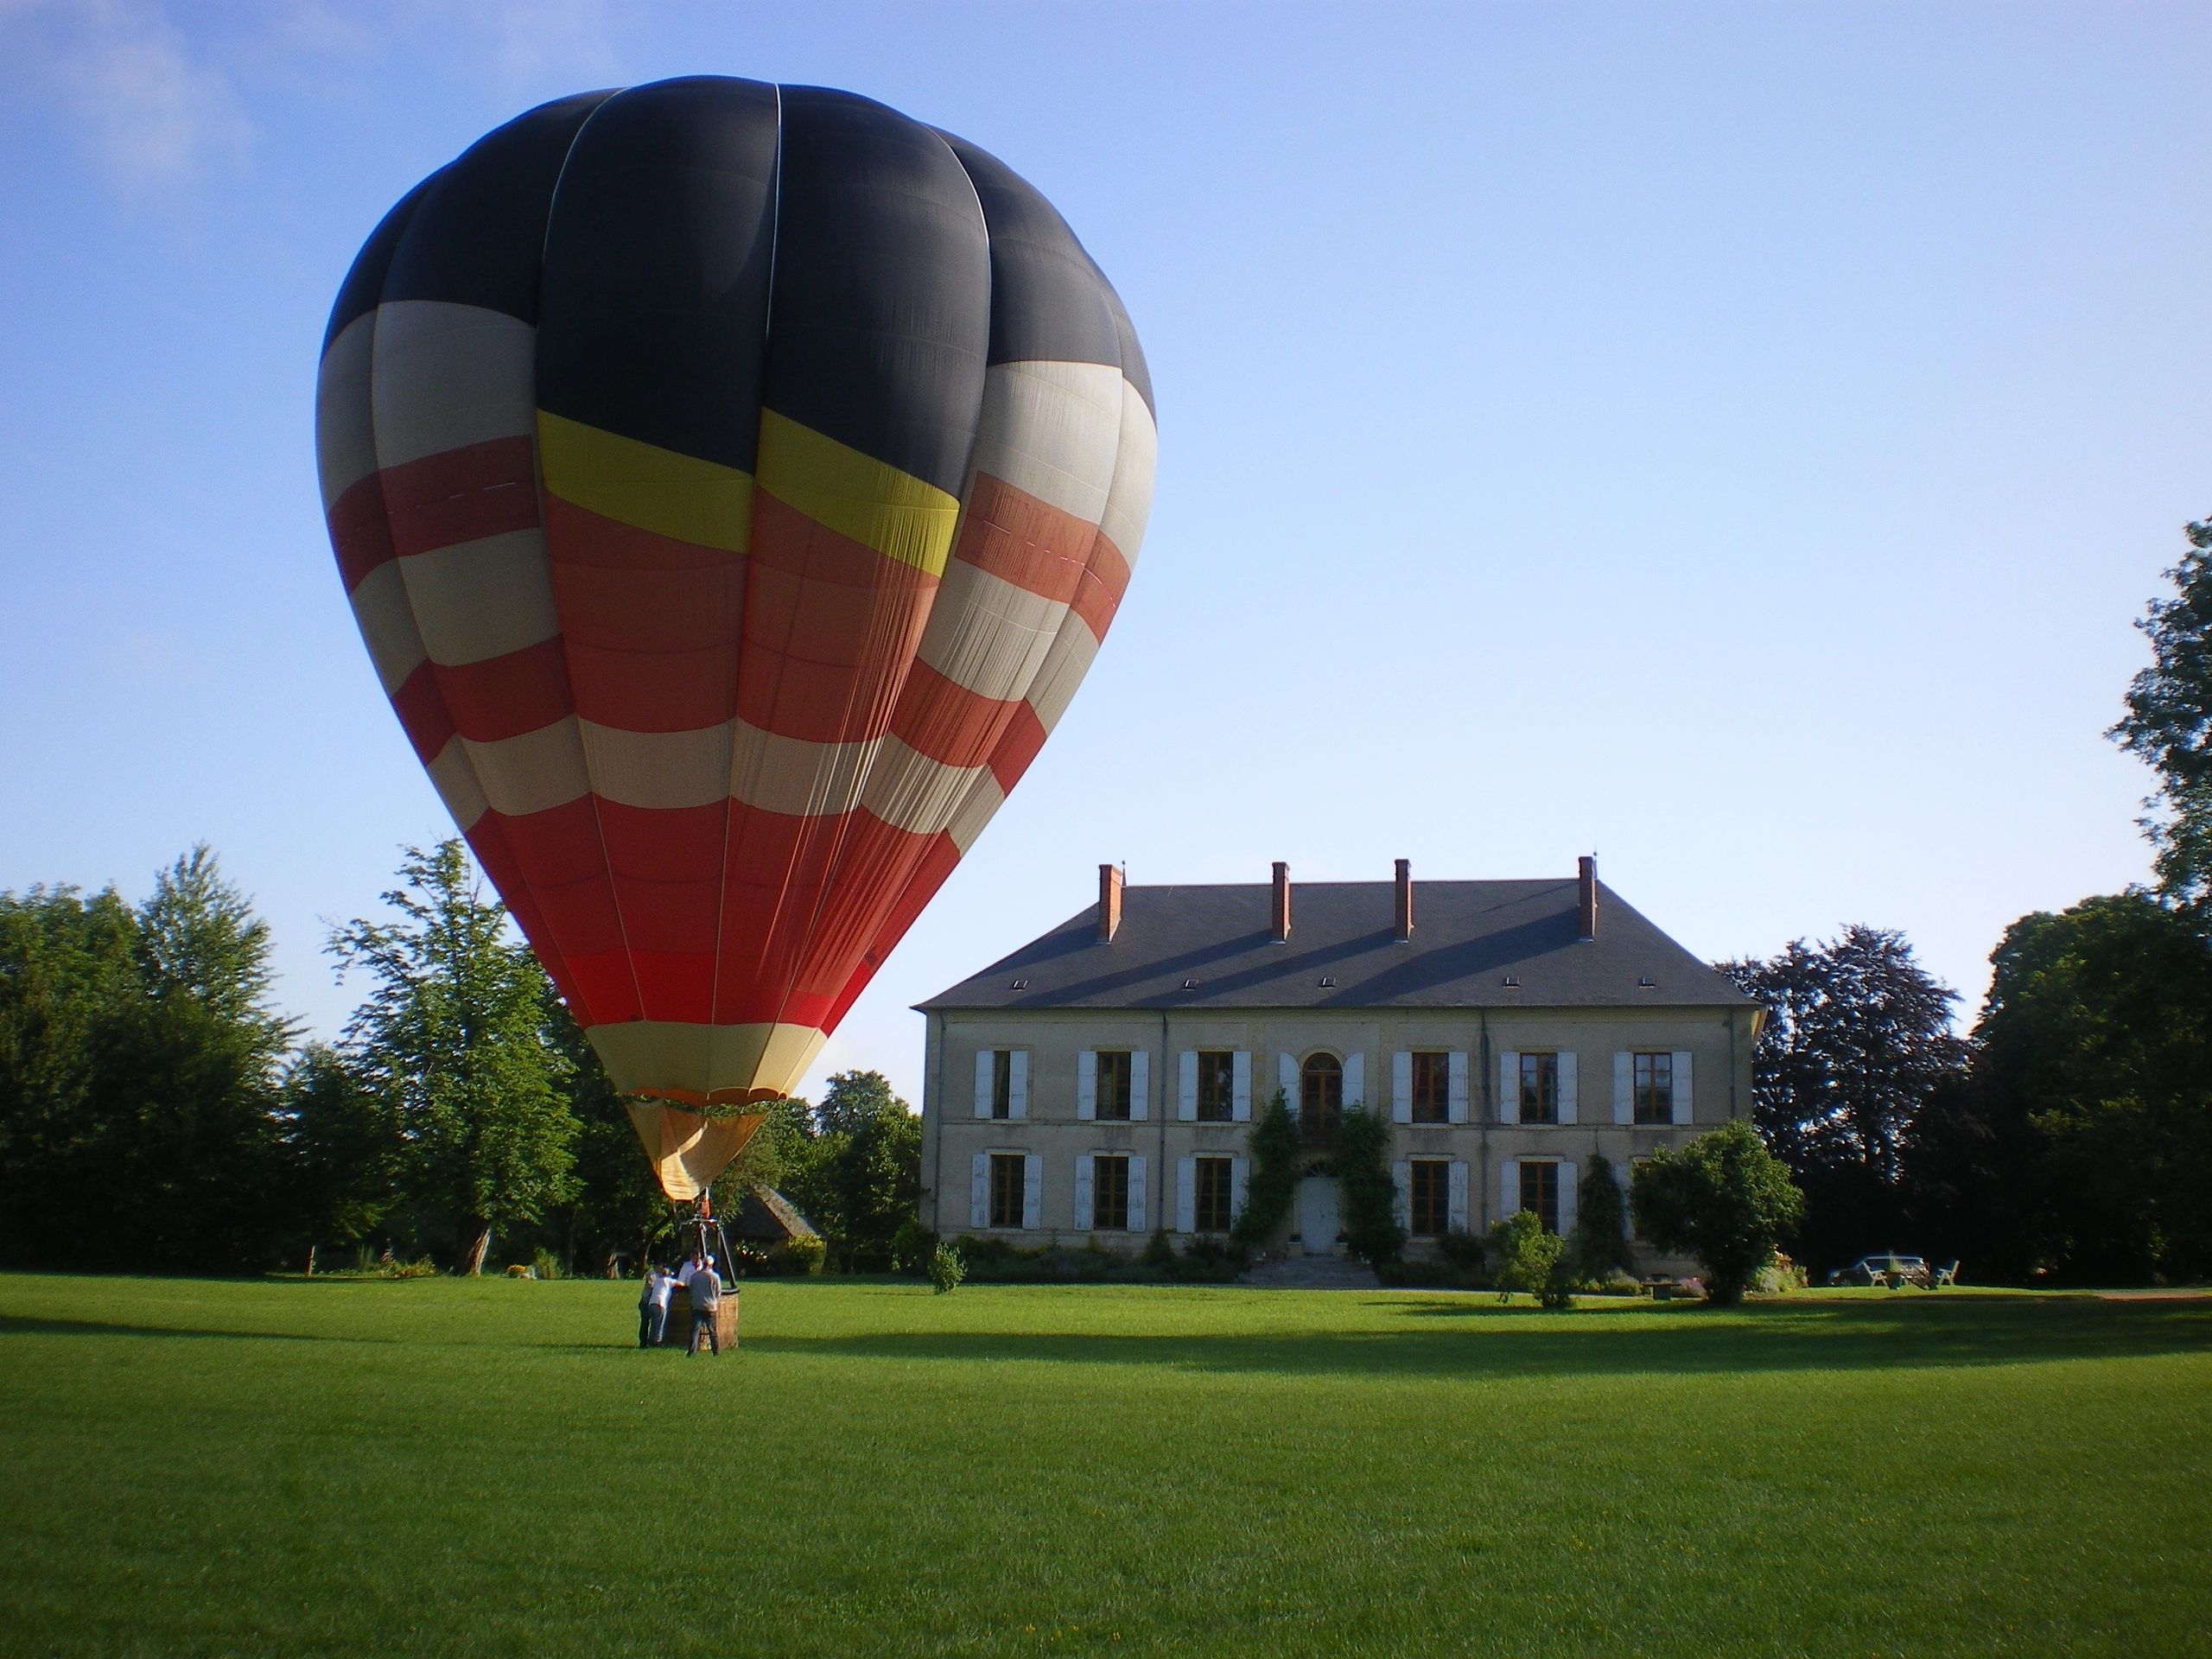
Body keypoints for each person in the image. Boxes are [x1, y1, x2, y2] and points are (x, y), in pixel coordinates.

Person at [687, 1255, 722, 1357]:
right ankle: (715, 1351)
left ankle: (691, 1351)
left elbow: (691, 1290)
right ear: (711, 1265)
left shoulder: (694, 1276)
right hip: (710, 1306)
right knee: (712, 1331)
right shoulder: (715, 1277)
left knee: (695, 1330)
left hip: (697, 1305)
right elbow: (718, 1292)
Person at [638, 1262, 671, 1348]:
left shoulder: (662, 1275)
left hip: (654, 1301)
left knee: (655, 1323)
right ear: (657, 1266)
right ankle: (643, 1342)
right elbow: (650, 1284)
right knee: (645, 1322)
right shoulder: (651, 1273)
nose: (662, 1268)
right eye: (661, 1266)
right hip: (646, 1301)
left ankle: (653, 1341)